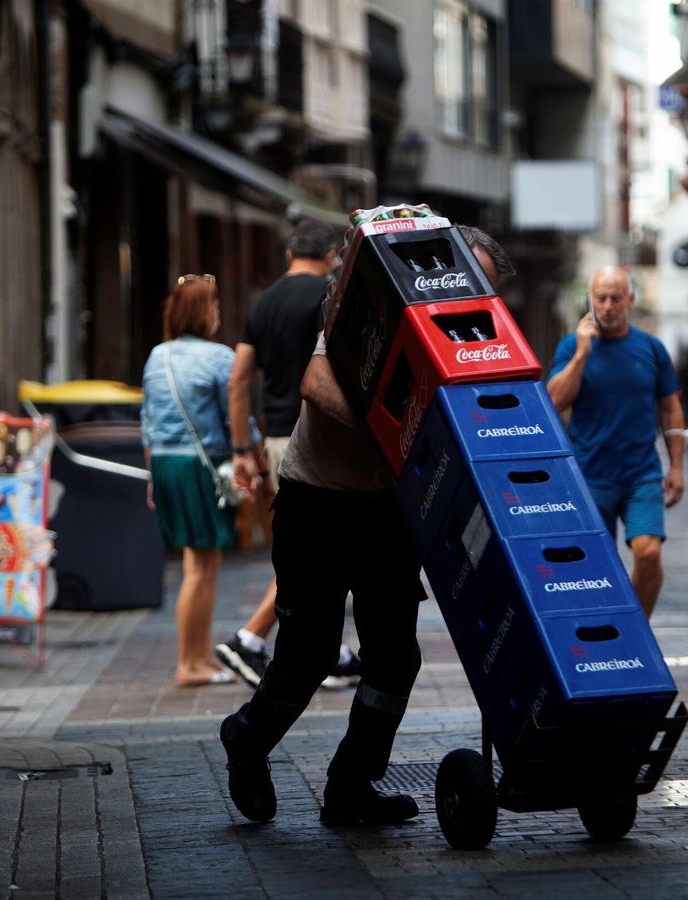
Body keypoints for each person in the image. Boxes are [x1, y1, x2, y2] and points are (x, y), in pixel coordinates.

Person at [220, 225, 514, 825]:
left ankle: (351, 786)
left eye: (485, 291)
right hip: (317, 501)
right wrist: (393, 429)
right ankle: (247, 738)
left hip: (387, 510)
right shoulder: (376, 310)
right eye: (471, 281)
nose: (474, 297)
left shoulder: (471, 335)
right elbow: (314, 383)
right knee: (309, 654)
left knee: (395, 658)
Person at [218, 219, 362, 690]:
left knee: (315, 546)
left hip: (275, 438)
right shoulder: (328, 296)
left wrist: (242, 449)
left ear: (288, 256)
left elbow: (238, 380)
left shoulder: (263, 301)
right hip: (315, 438)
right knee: (316, 546)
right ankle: (251, 638)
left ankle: (326, 650)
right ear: (332, 258)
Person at [547, 265, 685, 619]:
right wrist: (582, 354)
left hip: (641, 474)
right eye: (601, 298)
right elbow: (553, 401)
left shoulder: (651, 348)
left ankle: (636, 631)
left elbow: (670, 408)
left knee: (648, 554)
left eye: (616, 298)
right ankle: (611, 632)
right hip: (590, 476)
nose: (608, 306)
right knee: (599, 567)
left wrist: (677, 467)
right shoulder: (571, 345)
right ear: (590, 300)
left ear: (630, 301)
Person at [141, 274, 239, 687]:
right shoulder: (218, 357)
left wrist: (152, 475)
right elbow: (235, 416)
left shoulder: (156, 356)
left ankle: (201, 655)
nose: (217, 311)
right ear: (202, 310)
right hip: (200, 465)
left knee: (199, 564)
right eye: (213, 304)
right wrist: (247, 457)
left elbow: (147, 422)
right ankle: (188, 663)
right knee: (201, 567)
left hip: (166, 464)